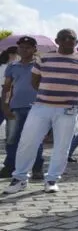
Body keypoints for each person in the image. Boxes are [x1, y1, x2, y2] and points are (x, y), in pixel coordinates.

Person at [3, 29, 78, 194]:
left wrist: (73, 94)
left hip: (68, 108)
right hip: (41, 106)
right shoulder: (44, 58)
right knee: (27, 142)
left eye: (72, 38)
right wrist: (48, 93)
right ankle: (20, 178)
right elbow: (35, 81)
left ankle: (52, 179)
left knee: (61, 146)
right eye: (64, 38)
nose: (68, 41)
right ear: (57, 40)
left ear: (77, 41)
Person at [1, 36, 44, 179]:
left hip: (36, 108)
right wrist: (5, 106)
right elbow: (6, 88)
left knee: (35, 139)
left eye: (28, 47)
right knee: (12, 139)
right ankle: (10, 166)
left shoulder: (40, 66)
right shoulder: (12, 66)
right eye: (21, 47)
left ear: (34, 49)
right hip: (15, 107)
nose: (24, 49)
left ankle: (37, 167)